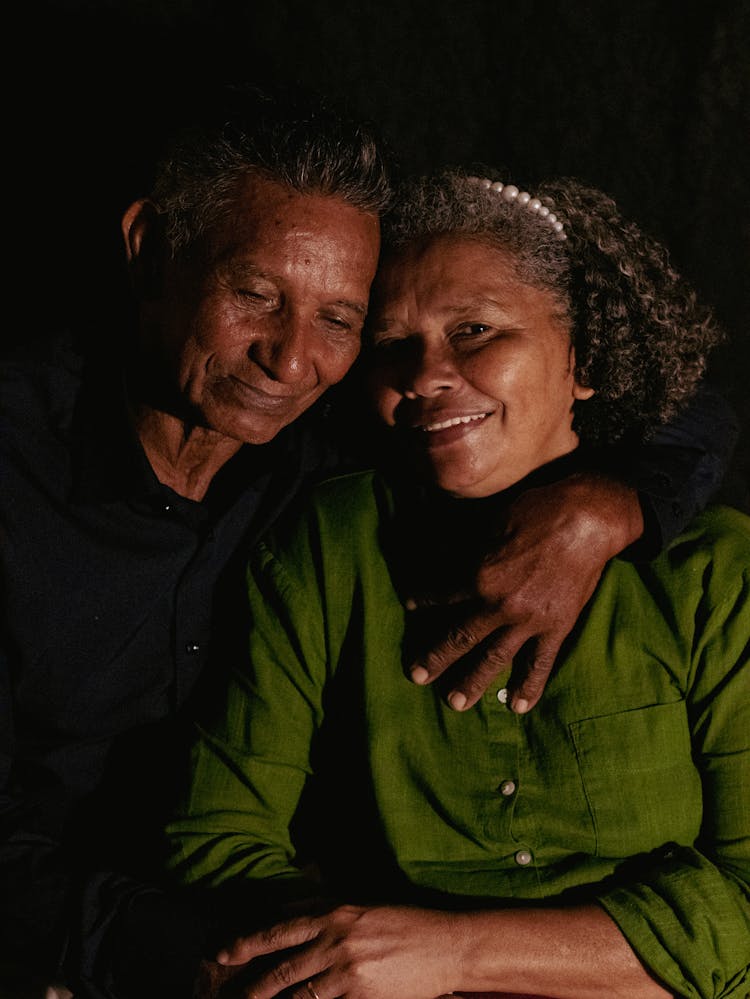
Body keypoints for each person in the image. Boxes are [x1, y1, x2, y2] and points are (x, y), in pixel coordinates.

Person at [0, 79, 738, 998]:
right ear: (149, 250)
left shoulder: (336, 434)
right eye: (255, 292)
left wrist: (616, 506)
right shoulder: (308, 505)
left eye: (340, 320)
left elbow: (665, 392)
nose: (292, 356)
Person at [165, 170, 750, 999]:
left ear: (584, 358)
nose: (425, 374)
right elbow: (216, 836)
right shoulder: (328, 547)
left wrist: (455, 953)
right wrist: (331, 955)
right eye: (392, 345)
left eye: (475, 330)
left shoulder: (714, 574)